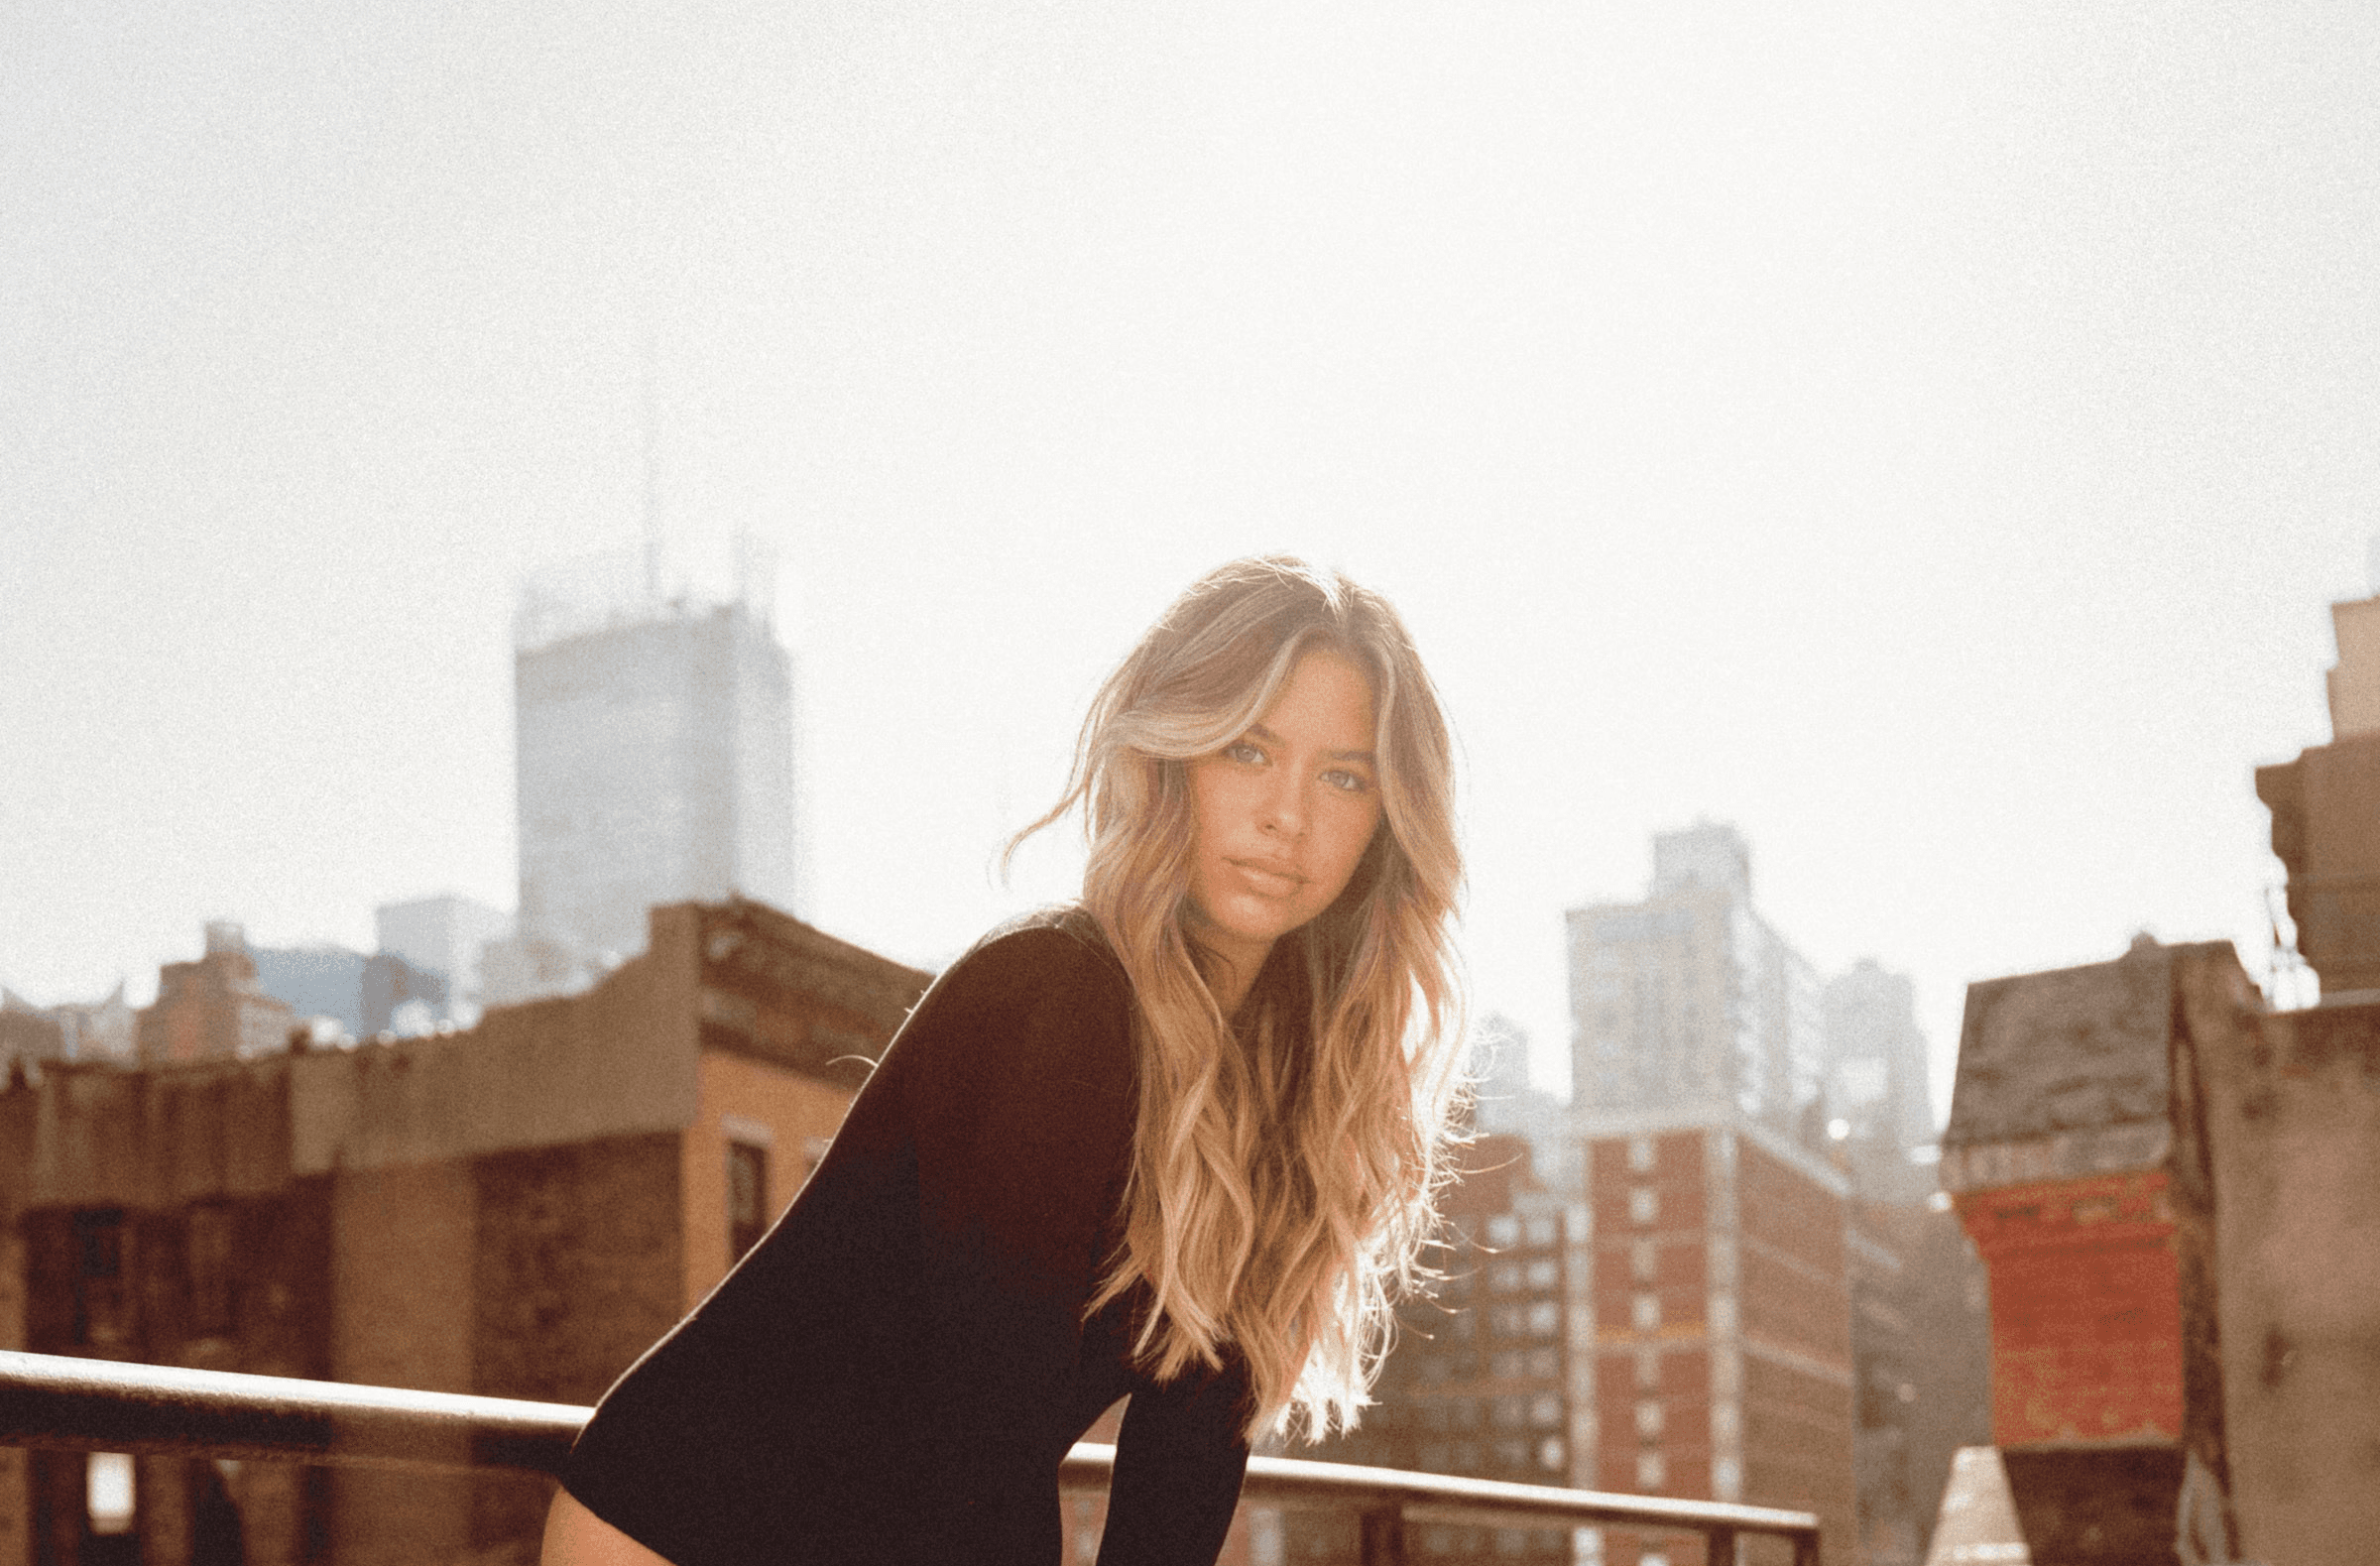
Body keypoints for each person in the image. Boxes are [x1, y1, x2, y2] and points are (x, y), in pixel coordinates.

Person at [540, 554, 1466, 1566]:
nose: (1289, 813)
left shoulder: (1283, 1099)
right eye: (1247, 749)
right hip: (679, 1525)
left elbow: (1184, 1467)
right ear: (1171, 758)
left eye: (1344, 776)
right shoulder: (1057, 994)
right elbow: (986, 1445)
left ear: (1386, 820)